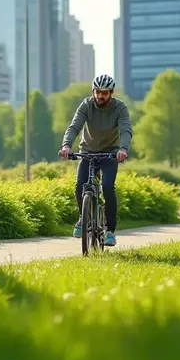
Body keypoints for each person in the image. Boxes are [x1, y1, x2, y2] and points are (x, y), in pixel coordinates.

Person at [59, 74, 132, 247]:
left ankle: (110, 231)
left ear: (111, 93)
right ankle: (82, 218)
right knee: (79, 185)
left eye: (104, 93)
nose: (100, 96)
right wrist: (66, 146)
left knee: (107, 187)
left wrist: (123, 149)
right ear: (93, 91)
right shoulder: (86, 105)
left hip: (110, 154)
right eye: (97, 92)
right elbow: (75, 126)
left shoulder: (120, 108)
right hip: (88, 152)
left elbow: (125, 130)